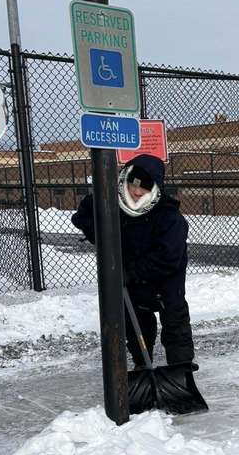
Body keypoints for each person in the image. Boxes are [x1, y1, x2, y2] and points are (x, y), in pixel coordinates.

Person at [72, 154, 196, 368]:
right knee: (135, 321)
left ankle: (180, 370)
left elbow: (167, 258)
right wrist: (97, 201)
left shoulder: (169, 217)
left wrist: (129, 273)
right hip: (131, 280)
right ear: (124, 181)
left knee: (175, 322)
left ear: (156, 189)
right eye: (133, 185)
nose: (137, 192)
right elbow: (85, 220)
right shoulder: (115, 208)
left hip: (166, 280)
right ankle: (142, 365)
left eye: (145, 188)